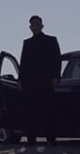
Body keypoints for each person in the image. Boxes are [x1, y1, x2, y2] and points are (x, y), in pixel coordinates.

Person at [18, 15, 61, 145]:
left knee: (48, 110)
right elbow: (23, 63)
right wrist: (20, 81)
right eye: (33, 25)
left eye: (37, 24)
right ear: (30, 27)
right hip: (30, 83)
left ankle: (51, 139)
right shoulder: (27, 43)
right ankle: (31, 139)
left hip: (47, 82)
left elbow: (57, 60)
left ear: (42, 25)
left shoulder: (51, 40)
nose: (35, 27)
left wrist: (56, 77)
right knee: (31, 111)